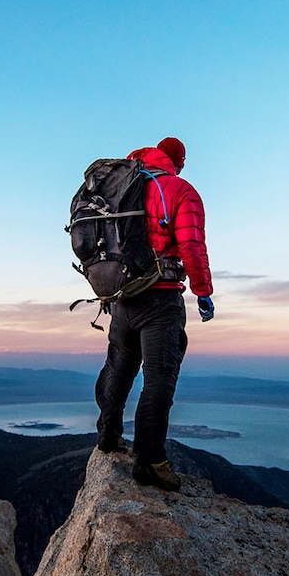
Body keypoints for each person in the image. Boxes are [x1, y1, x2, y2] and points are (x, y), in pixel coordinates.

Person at [94, 136, 213, 491]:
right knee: (159, 378)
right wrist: (203, 292)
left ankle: (108, 435)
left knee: (118, 366)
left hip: (122, 298)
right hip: (160, 300)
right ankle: (149, 462)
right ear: (179, 161)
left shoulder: (122, 186)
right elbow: (191, 245)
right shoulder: (179, 190)